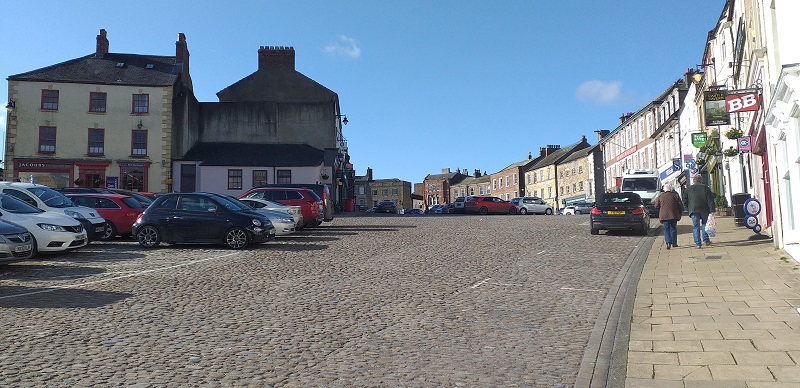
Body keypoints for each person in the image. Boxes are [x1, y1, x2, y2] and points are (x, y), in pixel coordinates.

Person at [682, 174, 716, 249]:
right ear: (701, 180)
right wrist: (712, 210)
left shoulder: (688, 189)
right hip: (704, 209)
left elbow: (684, 200)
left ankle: (698, 244)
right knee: (704, 224)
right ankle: (706, 240)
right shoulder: (705, 188)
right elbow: (710, 200)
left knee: (696, 226)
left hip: (693, 210)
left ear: (693, 181)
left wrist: (688, 208)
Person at [654, 183, 683, 249]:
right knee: (673, 228)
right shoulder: (675, 195)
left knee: (666, 228)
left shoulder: (660, 196)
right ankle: (674, 243)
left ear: (664, 189)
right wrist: (680, 213)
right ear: (671, 189)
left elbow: (656, 206)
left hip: (664, 215)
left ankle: (668, 242)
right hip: (674, 214)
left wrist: (661, 208)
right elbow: (680, 206)